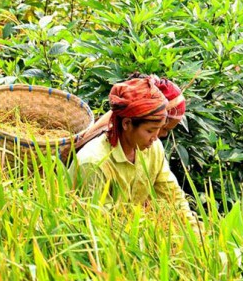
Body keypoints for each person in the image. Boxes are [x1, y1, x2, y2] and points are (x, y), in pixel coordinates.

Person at [69, 77, 200, 230]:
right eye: (150, 130)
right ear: (127, 124)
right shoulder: (93, 163)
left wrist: (194, 233)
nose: (156, 137)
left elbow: (172, 196)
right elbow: (100, 224)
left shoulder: (153, 147)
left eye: (159, 129)